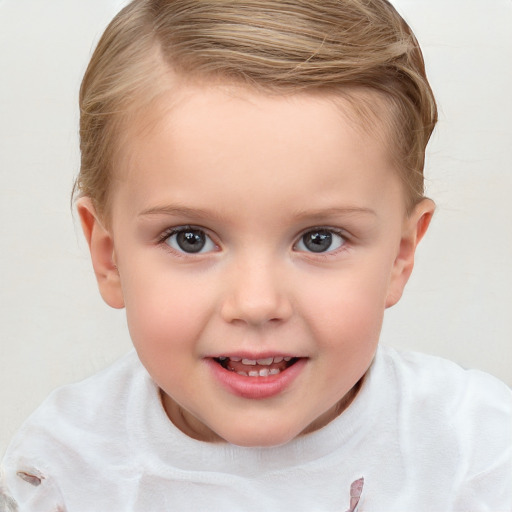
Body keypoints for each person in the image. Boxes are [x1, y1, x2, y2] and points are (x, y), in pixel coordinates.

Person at [1, 0, 510, 510]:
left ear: (401, 255)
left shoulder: (477, 453)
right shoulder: (60, 471)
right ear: (108, 256)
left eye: (319, 239)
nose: (256, 303)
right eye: (190, 238)